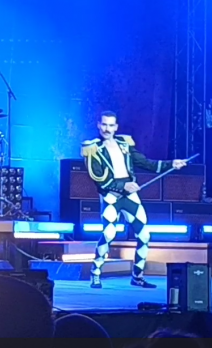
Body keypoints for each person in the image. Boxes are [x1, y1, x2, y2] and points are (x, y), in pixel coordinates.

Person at [81, 111, 188, 289]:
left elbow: (146, 163)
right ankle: (96, 273)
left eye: (111, 125)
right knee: (108, 234)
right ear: (98, 125)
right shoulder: (92, 149)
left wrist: (171, 164)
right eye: (104, 124)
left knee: (144, 235)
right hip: (111, 196)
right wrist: (123, 186)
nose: (107, 129)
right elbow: (99, 179)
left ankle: (137, 276)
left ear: (116, 127)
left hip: (130, 196)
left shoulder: (124, 145)